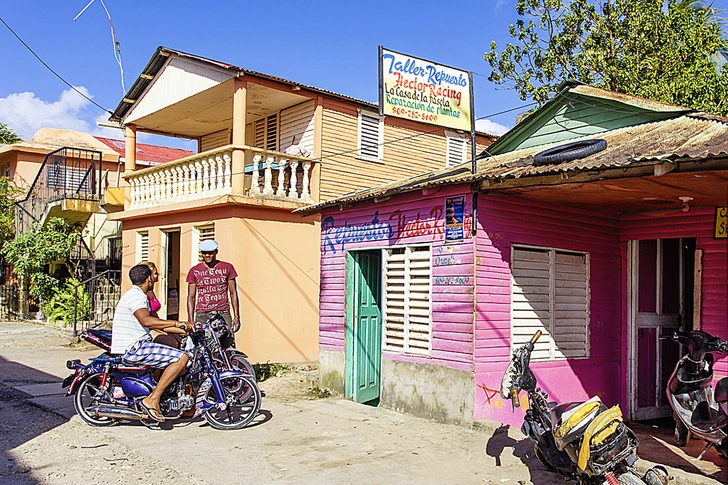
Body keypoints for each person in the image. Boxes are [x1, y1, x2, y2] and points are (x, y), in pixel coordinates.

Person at [111, 263, 191, 422]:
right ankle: (153, 399)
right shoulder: (136, 296)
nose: (155, 278)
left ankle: (169, 397)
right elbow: (147, 321)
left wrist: (186, 329)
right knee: (182, 358)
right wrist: (176, 323)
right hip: (135, 347)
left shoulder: (137, 295)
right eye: (153, 275)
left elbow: (156, 322)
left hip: (140, 344)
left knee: (179, 358)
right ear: (148, 279)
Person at [186, 240, 240, 348]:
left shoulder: (227, 267)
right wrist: (191, 319)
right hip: (202, 315)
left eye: (210, 252)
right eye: (204, 253)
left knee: (227, 345)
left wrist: (236, 316)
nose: (207, 255)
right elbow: (191, 297)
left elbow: (233, 293)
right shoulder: (194, 271)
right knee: (203, 347)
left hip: (222, 313)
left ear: (216, 252)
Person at [142, 261, 184, 349]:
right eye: (155, 273)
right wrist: (173, 326)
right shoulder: (143, 295)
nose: (158, 276)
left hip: (156, 325)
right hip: (148, 328)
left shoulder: (151, 291)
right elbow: (149, 322)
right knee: (172, 342)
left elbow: (155, 317)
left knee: (184, 334)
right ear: (149, 276)